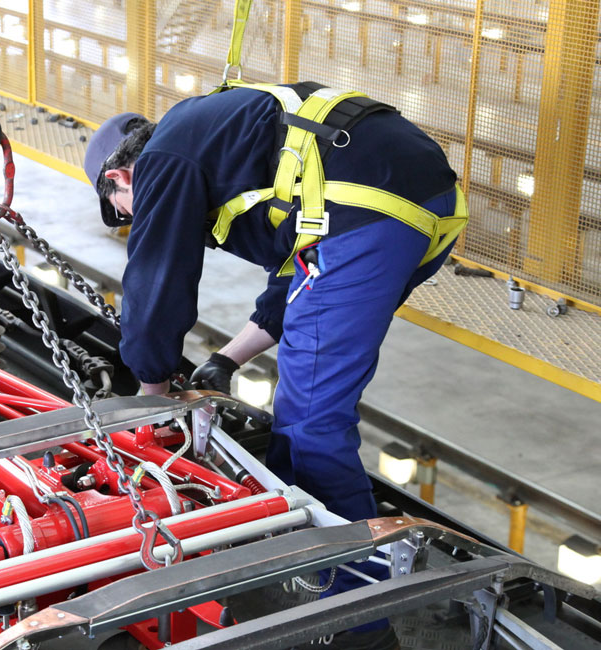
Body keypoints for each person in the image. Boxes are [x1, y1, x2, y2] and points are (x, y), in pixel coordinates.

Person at [83, 82, 467, 650]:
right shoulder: (230, 142)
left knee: (310, 424)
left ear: (119, 179)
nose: (129, 220)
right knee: (308, 401)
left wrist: (152, 389)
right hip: (422, 206)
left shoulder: (163, 157)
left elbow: (156, 280)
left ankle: (361, 623)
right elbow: (297, 274)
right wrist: (224, 359)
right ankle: (332, 582)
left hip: (367, 207)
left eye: (121, 213)